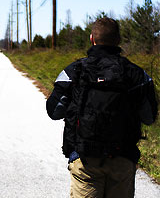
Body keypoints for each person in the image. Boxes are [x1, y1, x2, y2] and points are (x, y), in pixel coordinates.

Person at [46, 17, 158, 198]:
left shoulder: (74, 70)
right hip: (123, 158)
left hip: (84, 159)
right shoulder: (137, 75)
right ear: (119, 40)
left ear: (92, 38)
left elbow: (54, 111)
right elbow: (149, 117)